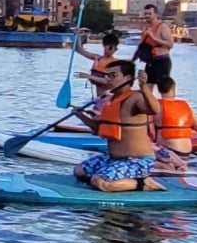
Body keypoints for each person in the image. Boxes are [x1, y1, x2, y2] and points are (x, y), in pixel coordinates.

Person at [70, 59, 164, 192]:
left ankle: (143, 183)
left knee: (100, 182)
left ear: (128, 78)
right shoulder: (110, 100)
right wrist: (80, 115)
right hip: (113, 158)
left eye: (113, 76)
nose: (108, 79)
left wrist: (144, 87)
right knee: (79, 171)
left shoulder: (136, 97)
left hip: (136, 160)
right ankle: (120, 177)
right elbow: (99, 129)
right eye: (107, 76)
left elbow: (155, 110)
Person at [152, 76, 197, 169]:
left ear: (159, 90)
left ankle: (164, 165)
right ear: (173, 88)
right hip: (185, 154)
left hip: (169, 153)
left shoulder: (155, 106)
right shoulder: (185, 106)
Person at [138, 4, 175, 86]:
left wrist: (154, 38)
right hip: (150, 62)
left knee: (163, 89)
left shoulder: (163, 26)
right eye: (145, 14)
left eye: (149, 14)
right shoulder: (145, 27)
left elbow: (170, 44)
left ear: (156, 14)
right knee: (147, 88)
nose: (147, 16)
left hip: (162, 61)